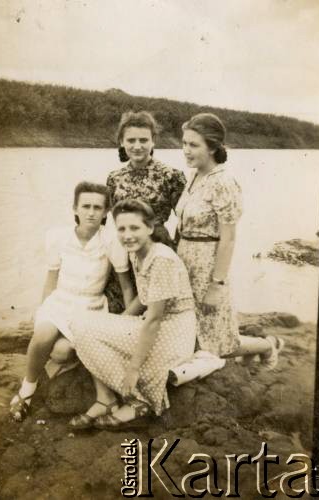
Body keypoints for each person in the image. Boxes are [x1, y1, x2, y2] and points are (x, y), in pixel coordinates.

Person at [9, 182, 134, 421]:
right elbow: (51, 279)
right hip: (61, 301)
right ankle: (27, 390)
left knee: (61, 351)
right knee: (44, 334)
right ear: (74, 208)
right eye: (85, 206)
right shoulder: (58, 237)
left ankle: (63, 364)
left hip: (90, 306)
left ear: (106, 211)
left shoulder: (111, 241)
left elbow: (126, 285)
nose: (91, 212)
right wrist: (41, 310)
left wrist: (128, 324)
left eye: (98, 207)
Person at [69, 199, 196, 430]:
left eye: (134, 228)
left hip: (173, 332)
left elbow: (155, 318)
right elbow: (144, 298)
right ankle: (105, 399)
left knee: (88, 329)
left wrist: (133, 369)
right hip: (155, 324)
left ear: (150, 228)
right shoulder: (139, 253)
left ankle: (140, 401)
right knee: (81, 324)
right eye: (122, 229)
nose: (127, 235)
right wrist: (119, 321)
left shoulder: (161, 259)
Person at [176, 113, 284, 368]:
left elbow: (229, 239)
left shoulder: (224, 182)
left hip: (207, 269)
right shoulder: (194, 176)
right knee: (193, 335)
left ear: (212, 147)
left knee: (218, 343)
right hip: (185, 264)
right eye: (184, 143)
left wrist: (217, 284)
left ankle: (269, 345)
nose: (186, 151)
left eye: (193, 145)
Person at [104, 110, 187, 314]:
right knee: (123, 308)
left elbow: (185, 220)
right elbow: (107, 223)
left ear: (153, 142)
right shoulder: (114, 178)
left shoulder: (171, 176)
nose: (137, 146)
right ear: (121, 142)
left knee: (157, 312)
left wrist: (177, 252)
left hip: (156, 250)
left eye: (144, 140)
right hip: (124, 249)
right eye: (131, 140)